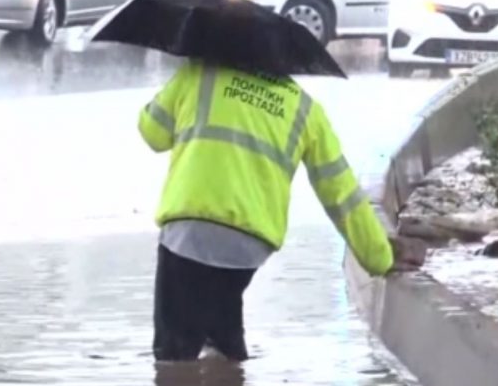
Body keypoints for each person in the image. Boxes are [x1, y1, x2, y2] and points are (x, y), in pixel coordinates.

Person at [139, 59, 422, 362]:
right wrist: (379, 255)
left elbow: (152, 133)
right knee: (222, 323)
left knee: (174, 353)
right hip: (248, 244)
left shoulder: (200, 74)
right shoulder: (303, 108)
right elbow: (341, 193)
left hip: (189, 232)